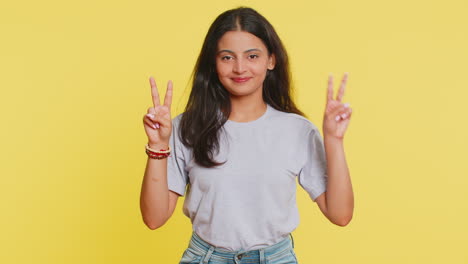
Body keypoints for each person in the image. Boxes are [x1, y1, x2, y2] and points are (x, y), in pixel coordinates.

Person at [140, 7, 354, 264]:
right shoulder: (187, 127)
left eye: (252, 56)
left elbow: (340, 215)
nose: (240, 68)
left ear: (271, 60)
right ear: (213, 63)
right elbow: (154, 219)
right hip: (206, 257)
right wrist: (158, 145)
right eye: (227, 57)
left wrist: (334, 140)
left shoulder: (296, 130)